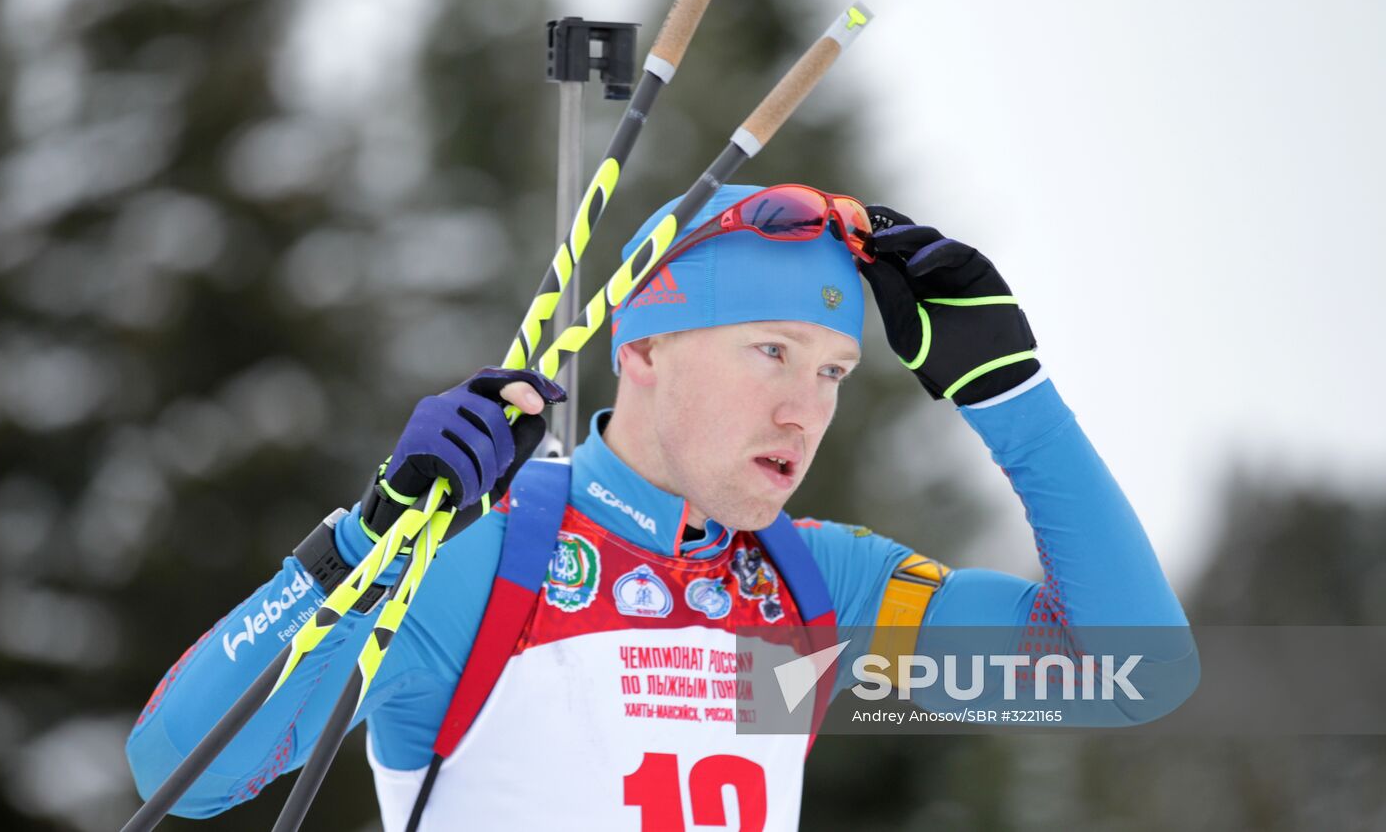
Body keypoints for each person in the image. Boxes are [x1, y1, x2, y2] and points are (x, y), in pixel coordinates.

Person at [127, 184, 1196, 830]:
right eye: (769, 352)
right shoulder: (481, 563)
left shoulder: (814, 592)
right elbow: (182, 773)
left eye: (830, 372)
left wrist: (1013, 401)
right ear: (639, 348)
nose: (800, 408)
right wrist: (370, 542)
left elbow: (1127, 673)